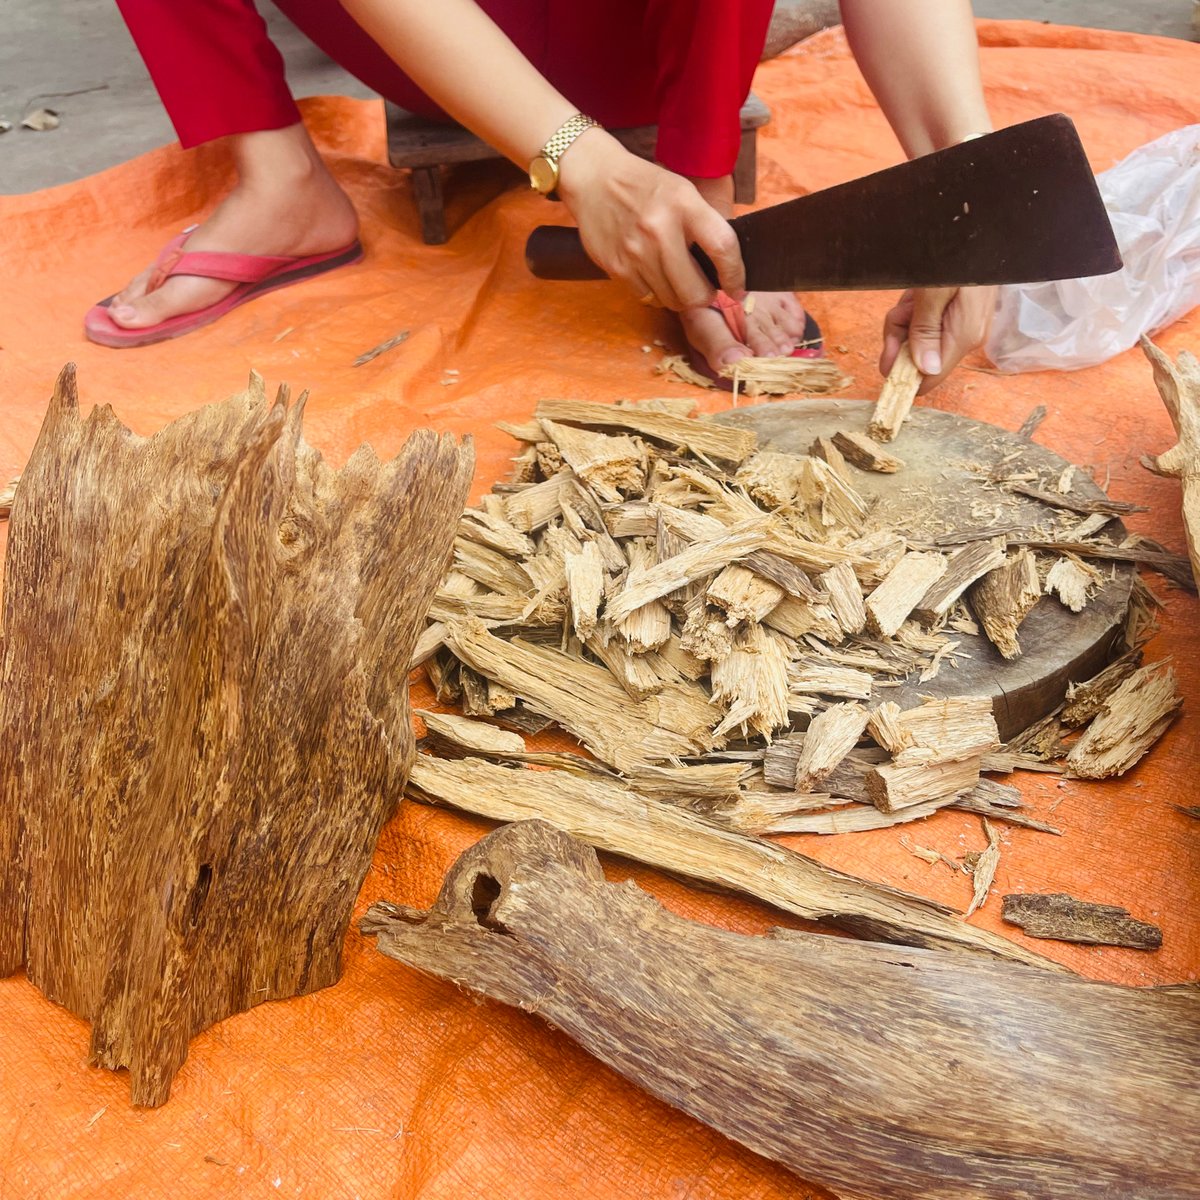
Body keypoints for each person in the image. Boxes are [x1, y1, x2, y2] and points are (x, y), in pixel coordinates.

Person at [92, 0, 996, 391]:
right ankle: (279, 176)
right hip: (433, 44)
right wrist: (582, 163)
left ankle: (704, 197)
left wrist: (977, 185)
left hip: (644, 39)